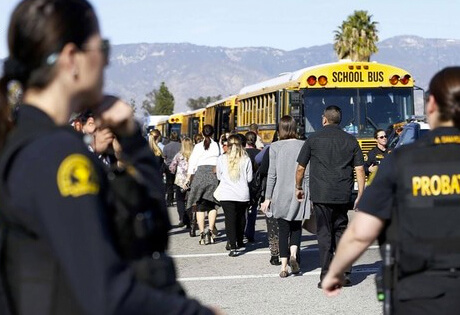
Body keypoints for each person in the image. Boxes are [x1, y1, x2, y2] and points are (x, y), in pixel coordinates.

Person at [0, 1, 216, 314]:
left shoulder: (22, 141)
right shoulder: (59, 156)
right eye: (101, 47)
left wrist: (131, 139)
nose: (105, 60)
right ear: (72, 58)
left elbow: (148, 227)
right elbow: (107, 294)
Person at [322, 67, 460, 315]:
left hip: (419, 293)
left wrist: (335, 271)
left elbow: (360, 234)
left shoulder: (401, 161)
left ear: (430, 105)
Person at [295, 105, 365, 288]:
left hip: (321, 194)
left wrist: (298, 187)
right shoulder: (351, 140)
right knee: (341, 233)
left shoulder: (313, 139)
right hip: (343, 194)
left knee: (325, 235)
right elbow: (359, 169)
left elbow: (301, 168)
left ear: (324, 119)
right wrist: (361, 194)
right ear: (339, 120)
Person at [260, 116, 309, 277]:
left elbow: (272, 174)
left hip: (279, 193)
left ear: (280, 129)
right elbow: (307, 173)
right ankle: (294, 255)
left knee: (283, 230)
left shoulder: (274, 147)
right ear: (295, 128)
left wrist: (267, 198)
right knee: (296, 228)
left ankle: (283, 267)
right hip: (298, 191)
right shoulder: (303, 145)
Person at [216, 135, 253, 257]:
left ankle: (232, 245)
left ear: (228, 145)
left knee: (229, 219)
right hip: (242, 193)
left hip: (226, 194)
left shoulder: (221, 159)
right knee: (241, 218)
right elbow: (249, 178)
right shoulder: (246, 159)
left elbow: (219, 177)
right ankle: (240, 239)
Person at [186, 124, 220, 245]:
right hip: (213, 175)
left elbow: (192, 163)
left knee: (199, 206)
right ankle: (210, 232)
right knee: (213, 205)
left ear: (202, 133)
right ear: (213, 133)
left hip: (200, 175)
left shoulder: (198, 146)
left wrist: (188, 179)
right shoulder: (217, 145)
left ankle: (202, 234)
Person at [169, 137, 193, 230]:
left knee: (180, 200)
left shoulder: (179, 155)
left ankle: (182, 218)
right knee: (190, 201)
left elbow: (172, 167)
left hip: (180, 181)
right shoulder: (194, 155)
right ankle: (190, 220)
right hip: (191, 180)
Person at [244, 131, 260, 243]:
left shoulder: (242, 153)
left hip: (244, 184)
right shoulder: (259, 153)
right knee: (253, 209)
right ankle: (250, 233)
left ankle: (243, 231)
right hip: (256, 184)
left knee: (243, 209)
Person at [163, 131, 181, 207]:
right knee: (177, 184)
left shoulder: (166, 146)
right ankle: (178, 198)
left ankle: (169, 200)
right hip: (179, 166)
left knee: (169, 184)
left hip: (169, 166)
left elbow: (164, 157)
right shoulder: (181, 146)